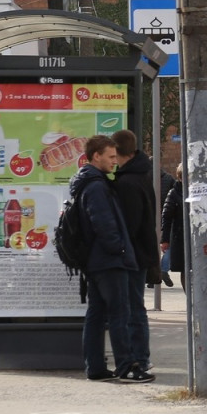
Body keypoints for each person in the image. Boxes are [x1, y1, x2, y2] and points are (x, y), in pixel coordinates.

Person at [71, 134, 153, 383]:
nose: (115, 161)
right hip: (109, 260)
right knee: (120, 313)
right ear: (97, 156)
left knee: (96, 313)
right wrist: (119, 249)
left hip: (98, 260)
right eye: (110, 156)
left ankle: (95, 367)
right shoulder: (96, 186)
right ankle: (127, 366)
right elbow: (104, 223)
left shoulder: (90, 182)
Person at [111, 129, 158, 374]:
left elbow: (129, 224)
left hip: (133, 254)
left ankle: (139, 356)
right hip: (140, 252)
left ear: (119, 152)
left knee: (132, 308)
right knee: (134, 306)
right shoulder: (140, 174)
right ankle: (140, 355)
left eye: (113, 153)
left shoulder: (128, 182)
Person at [161, 163, 186, 284]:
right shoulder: (175, 193)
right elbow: (166, 217)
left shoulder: (198, 191)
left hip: (197, 238)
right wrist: (164, 240)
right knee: (185, 268)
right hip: (180, 236)